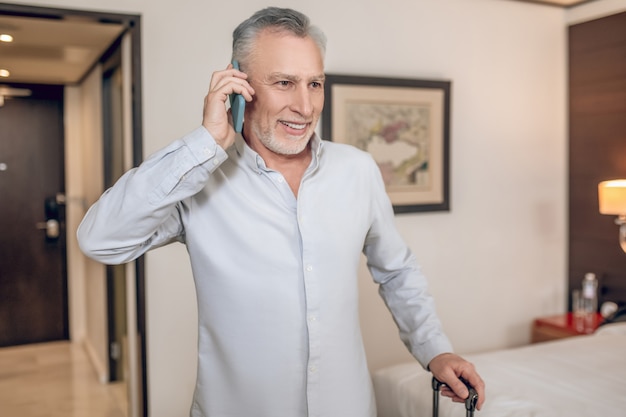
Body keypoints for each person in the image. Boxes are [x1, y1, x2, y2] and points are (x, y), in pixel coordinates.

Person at [78, 7, 485, 417]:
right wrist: (206, 142)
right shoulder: (196, 179)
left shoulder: (358, 171)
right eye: (285, 83)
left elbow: (397, 271)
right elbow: (100, 240)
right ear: (238, 82)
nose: (305, 106)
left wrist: (436, 350)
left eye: (315, 84)